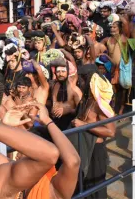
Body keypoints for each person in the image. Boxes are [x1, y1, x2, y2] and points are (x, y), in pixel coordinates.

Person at [71, 64, 116, 198]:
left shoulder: (99, 103)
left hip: (96, 151)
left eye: (82, 80)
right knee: (83, 187)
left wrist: (83, 125)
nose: (80, 82)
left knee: (96, 189)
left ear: (89, 80)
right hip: (84, 149)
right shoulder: (87, 99)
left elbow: (111, 132)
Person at [25, 102, 80, 199]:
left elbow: (73, 162)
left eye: (24, 152)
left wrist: (48, 121)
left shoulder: (53, 186)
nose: (17, 155)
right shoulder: (19, 174)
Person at [50, 60, 82, 131]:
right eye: (58, 72)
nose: (60, 74)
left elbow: (81, 112)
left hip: (69, 125)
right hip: (54, 121)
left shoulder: (75, 90)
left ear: (68, 72)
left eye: (63, 71)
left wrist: (68, 110)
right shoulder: (55, 85)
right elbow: (53, 102)